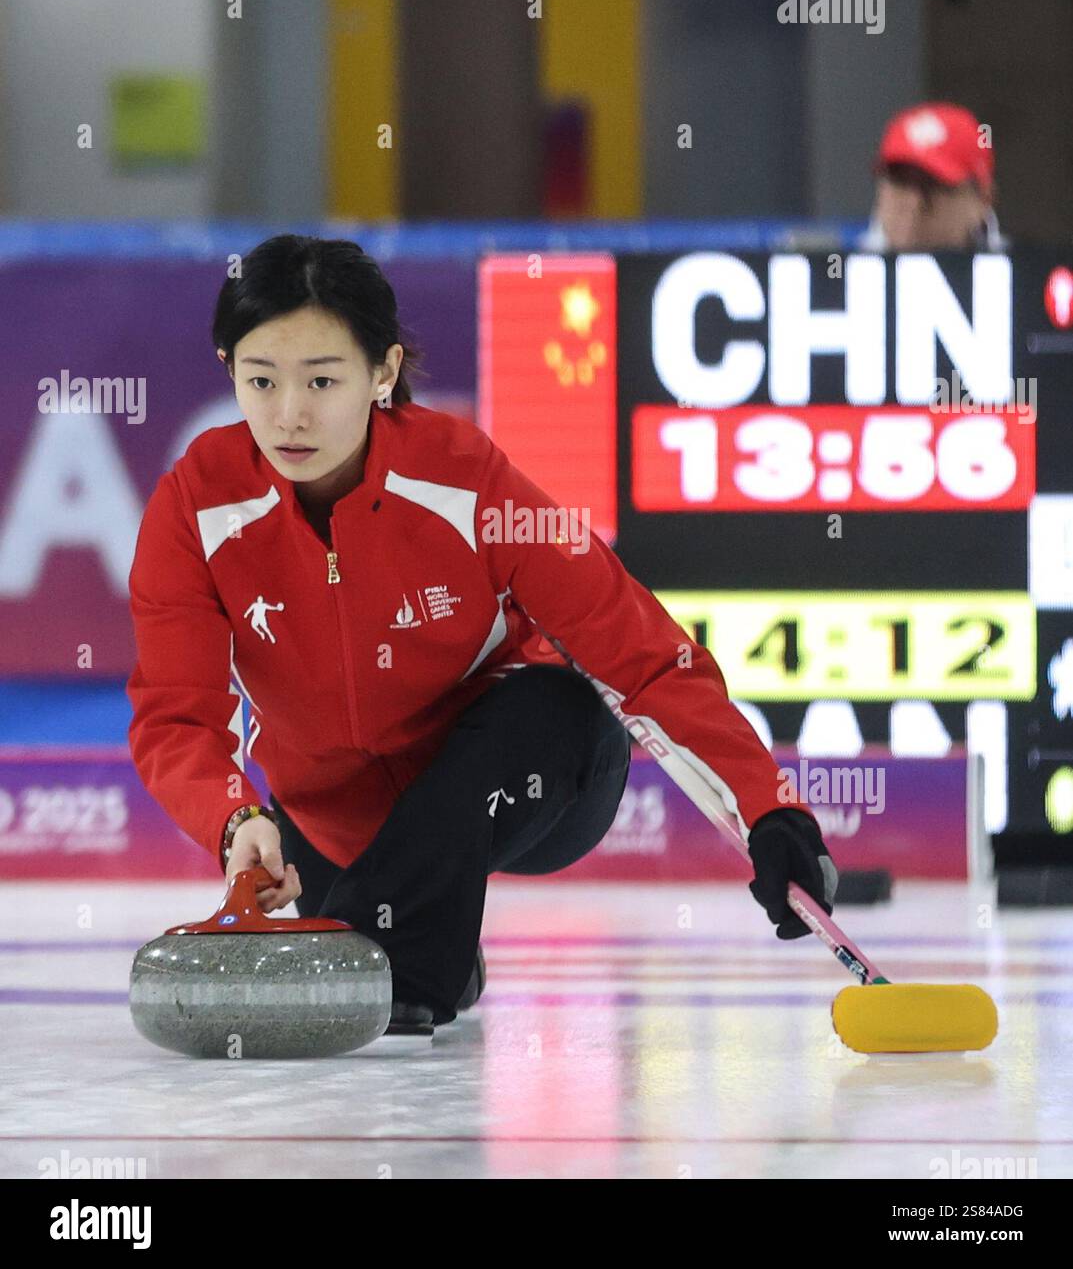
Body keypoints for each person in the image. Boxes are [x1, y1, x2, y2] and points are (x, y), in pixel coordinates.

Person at [126, 235, 837, 1037]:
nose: (288, 414)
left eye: (322, 380)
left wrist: (768, 812)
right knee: (385, 936)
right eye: (259, 381)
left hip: (533, 774)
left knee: (552, 705)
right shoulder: (196, 505)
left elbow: (640, 654)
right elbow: (176, 717)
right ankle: (417, 942)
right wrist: (233, 820)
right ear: (230, 371)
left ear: (383, 374)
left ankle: (400, 951)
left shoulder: (465, 478)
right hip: (337, 823)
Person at [860, 102, 1004, 251]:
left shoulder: (1023, 272)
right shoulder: (844, 270)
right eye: (899, 183)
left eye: (932, 186)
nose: (913, 204)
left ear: (983, 200)